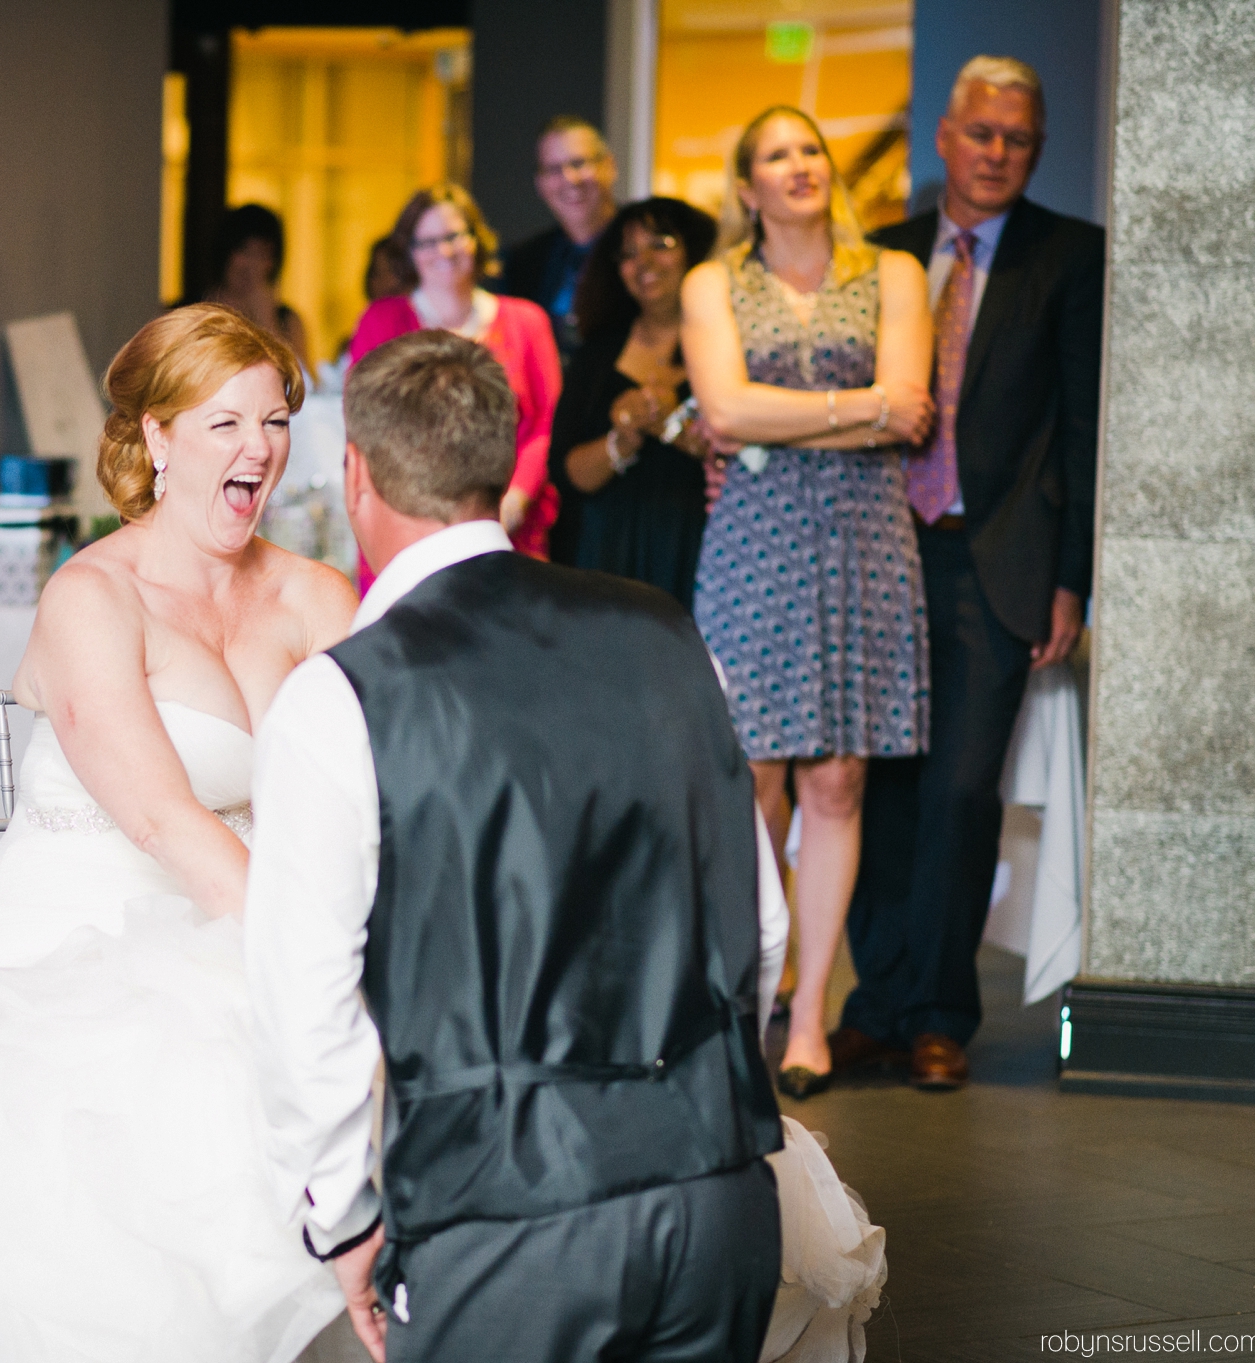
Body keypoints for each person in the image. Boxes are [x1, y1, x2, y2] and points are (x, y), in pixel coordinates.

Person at [243, 329, 884, 1362]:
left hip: (499, 1217)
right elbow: (757, 927)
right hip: (714, 1200)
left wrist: (343, 1220)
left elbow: (301, 999)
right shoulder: (668, 637)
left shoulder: (341, 695)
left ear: (354, 471)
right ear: (500, 470)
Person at [0, 304, 360, 1362]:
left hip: (245, 909)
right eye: (222, 425)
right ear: (154, 439)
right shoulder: (91, 597)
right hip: (74, 949)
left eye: (276, 420)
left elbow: (382, 790)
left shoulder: (316, 595)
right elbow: (162, 819)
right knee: (210, 1090)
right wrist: (319, 952)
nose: (258, 449)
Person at [836, 57, 1105, 1092]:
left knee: (956, 791)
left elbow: (1081, 428)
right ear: (941, 138)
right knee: (871, 786)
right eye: (981, 133)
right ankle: (875, 1004)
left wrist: (1069, 577)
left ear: (1034, 150)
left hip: (993, 562)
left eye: (1018, 139)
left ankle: (940, 1012)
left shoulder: (1067, 258)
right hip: (874, 551)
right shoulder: (882, 255)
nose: (997, 153)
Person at [680, 105, 937, 1097]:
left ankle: (811, 1014)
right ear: (745, 187)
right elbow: (721, 409)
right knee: (750, 781)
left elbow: (910, 404)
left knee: (836, 784)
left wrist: (782, 425)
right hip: (751, 546)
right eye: (775, 155)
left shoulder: (894, 275)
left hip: (864, 542)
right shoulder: (713, 283)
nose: (798, 166)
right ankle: (746, 992)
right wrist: (859, 408)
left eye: (810, 151)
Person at [347, 184, 561, 561]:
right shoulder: (381, 321)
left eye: (452, 237)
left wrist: (509, 505)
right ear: (409, 252)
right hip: (407, 534)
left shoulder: (527, 322)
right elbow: (364, 427)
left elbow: (547, 425)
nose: (442, 252)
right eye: (426, 242)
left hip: (511, 531)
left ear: (475, 239)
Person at [546, 196, 718, 607]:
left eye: (660, 244)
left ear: (691, 250)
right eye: (627, 253)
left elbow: (743, 454)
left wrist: (669, 423)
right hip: (607, 555)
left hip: (700, 551)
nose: (644, 262)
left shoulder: (725, 347)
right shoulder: (596, 355)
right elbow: (567, 473)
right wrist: (621, 441)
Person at [500, 115, 618, 364]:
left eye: (578, 163)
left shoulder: (642, 252)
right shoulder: (525, 261)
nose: (569, 179)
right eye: (554, 169)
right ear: (540, 184)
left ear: (609, 166)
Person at [205, 203, 313, 374]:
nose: (252, 264)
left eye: (262, 254)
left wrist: (267, 320)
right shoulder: (188, 310)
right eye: (244, 250)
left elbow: (299, 386)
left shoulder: (288, 321)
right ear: (226, 252)